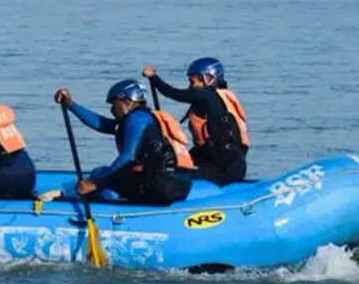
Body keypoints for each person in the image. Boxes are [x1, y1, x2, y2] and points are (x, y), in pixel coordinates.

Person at [54, 80, 194, 206]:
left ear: (127, 101)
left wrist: (96, 183)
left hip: (161, 186)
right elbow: (101, 124)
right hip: (177, 185)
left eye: (114, 103)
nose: (112, 109)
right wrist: (70, 105)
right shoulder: (142, 118)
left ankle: (77, 205)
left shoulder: (137, 120)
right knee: (106, 175)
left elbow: (127, 157)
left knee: (101, 175)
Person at [142, 57, 247, 185]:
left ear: (209, 79)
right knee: (174, 163)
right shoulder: (217, 97)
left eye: (193, 81)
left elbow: (173, 93)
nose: (191, 85)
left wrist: (153, 78)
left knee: (177, 177)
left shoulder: (206, 96)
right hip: (221, 159)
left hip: (225, 166)